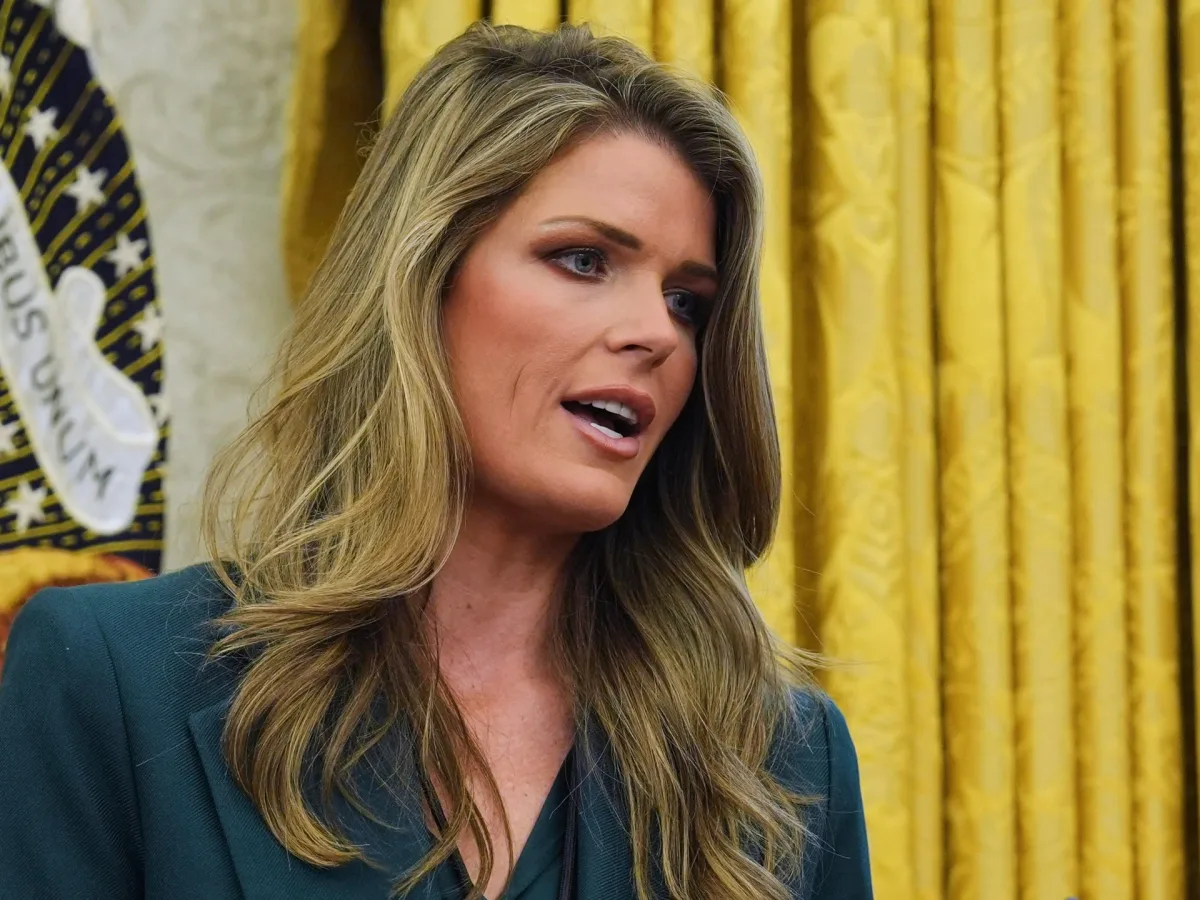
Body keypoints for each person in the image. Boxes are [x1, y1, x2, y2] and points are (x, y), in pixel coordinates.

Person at [0, 20, 872, 900]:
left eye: (687, 302)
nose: (657, 333)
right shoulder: (107, 676)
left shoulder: (784, 761)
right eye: (583, 259)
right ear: (421, 279)